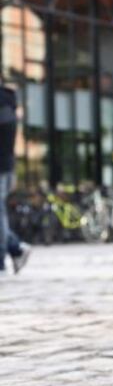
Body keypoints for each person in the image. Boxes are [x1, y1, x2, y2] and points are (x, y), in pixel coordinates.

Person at [0, 84, 29, 275]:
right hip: (6, 164)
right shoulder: (8, 101)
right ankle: (15, 247)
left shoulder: (4, 102)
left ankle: (7, 253)